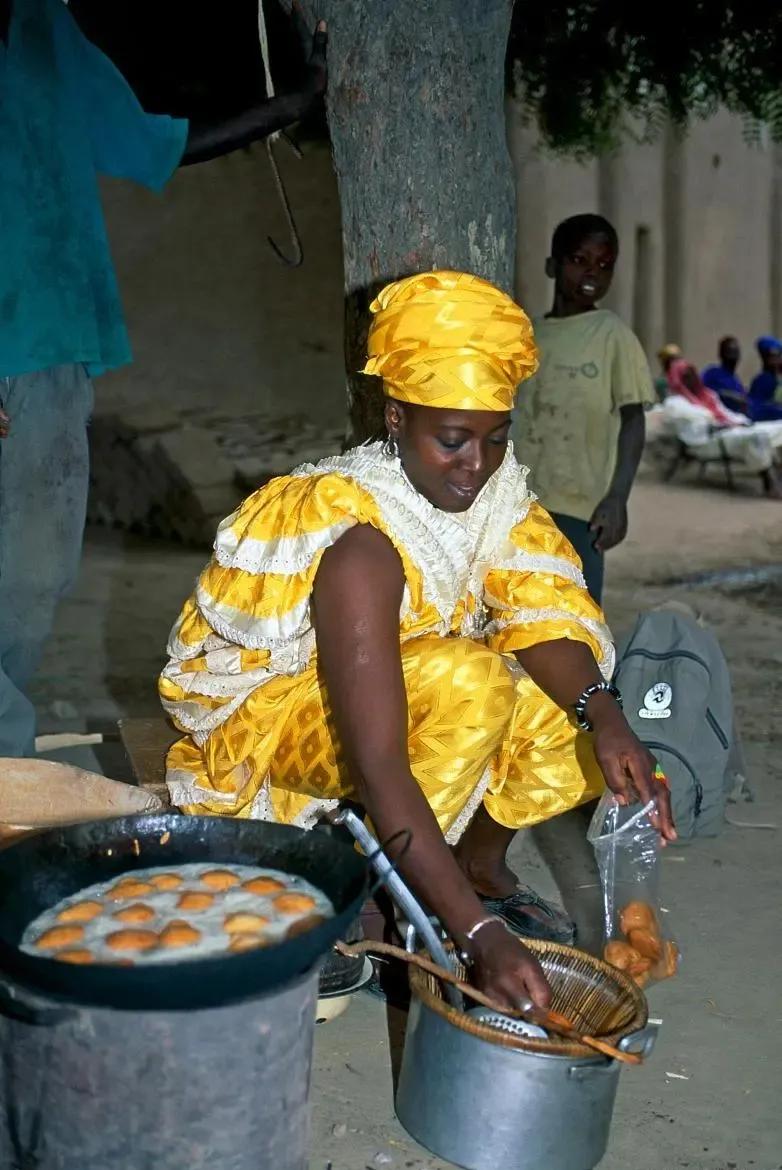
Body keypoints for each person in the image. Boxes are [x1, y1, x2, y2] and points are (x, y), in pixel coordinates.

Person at [159, 270, 675, 1008]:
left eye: (496, 440)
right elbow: (378, 764)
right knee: (474, 683)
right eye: (454, 441)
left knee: (574, 711)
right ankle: (350, 898)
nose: (477, 467)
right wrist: (475, 938)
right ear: (397, 418)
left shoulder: (497, 499)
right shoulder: (357, 537)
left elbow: (544, 616)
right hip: (281, 734)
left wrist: (611, 721)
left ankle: (475, 870)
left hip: (411, 704)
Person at [0, 0, 327, 757]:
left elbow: (152, 142)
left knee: (29, 583)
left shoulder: (48, 32)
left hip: (49, 354)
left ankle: (6, 773)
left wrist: (291, 106)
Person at [512, 214, 654, 606]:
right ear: (552, 266)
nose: (592, 272)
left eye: (604, 265)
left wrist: (617, 498)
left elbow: (633, 421)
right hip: (518, 505)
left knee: (577, 620)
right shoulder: (526, 335)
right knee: (518, 613)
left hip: (582, 510)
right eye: (579, 260)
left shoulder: (613, 336)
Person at [666, 358, 782, 497]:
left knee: (777, 427)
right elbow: (692, 429)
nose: (691, 378)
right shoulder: (676, 403)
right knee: (756, 437)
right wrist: (721, 425)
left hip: (729, 429)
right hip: (707, 440)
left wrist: (740, 421)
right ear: (679, 379)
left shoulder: (708, 395)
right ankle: (769, 484)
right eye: (686, 375)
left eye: (692, 373)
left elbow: (726, 413)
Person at [702, 336, 749, 415]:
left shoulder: (736, 381)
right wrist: (728, 395)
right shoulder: (712, 373)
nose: (733, 357)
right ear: (721, 354)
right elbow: (702, 391)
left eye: (736, 353)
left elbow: (744, 401)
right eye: (729, 352)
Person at [748, 336, 782, 422]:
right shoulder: (763, 380)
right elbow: (756, 409)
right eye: (773, 356)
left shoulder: (776, 379)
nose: (778, 359)